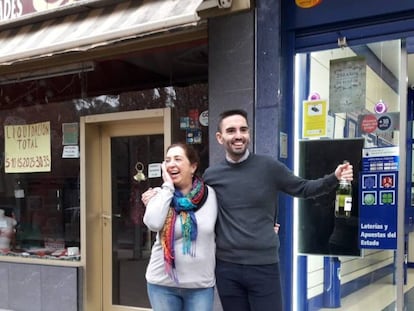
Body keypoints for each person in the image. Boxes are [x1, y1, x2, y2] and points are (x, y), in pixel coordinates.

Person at [202, 109, 354, 311]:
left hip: (264, 266)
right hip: (227, 268)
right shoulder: (212, 176)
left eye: (243, 129)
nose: (238, 135)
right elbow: (195, 206)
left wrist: (333, 178)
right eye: (231, 131)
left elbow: (303, 188)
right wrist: (163, 192)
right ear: (220, 138)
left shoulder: (269, 167)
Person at [142, 142, 218, 311]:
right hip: (162, 285)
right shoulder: (161, 196)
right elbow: (153, 223)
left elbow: (231, 220)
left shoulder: (211, 195)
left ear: (193, 167)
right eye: (168, 160)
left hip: (200, 286)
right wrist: (167, 187)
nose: (172, 164)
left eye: (178, 159)